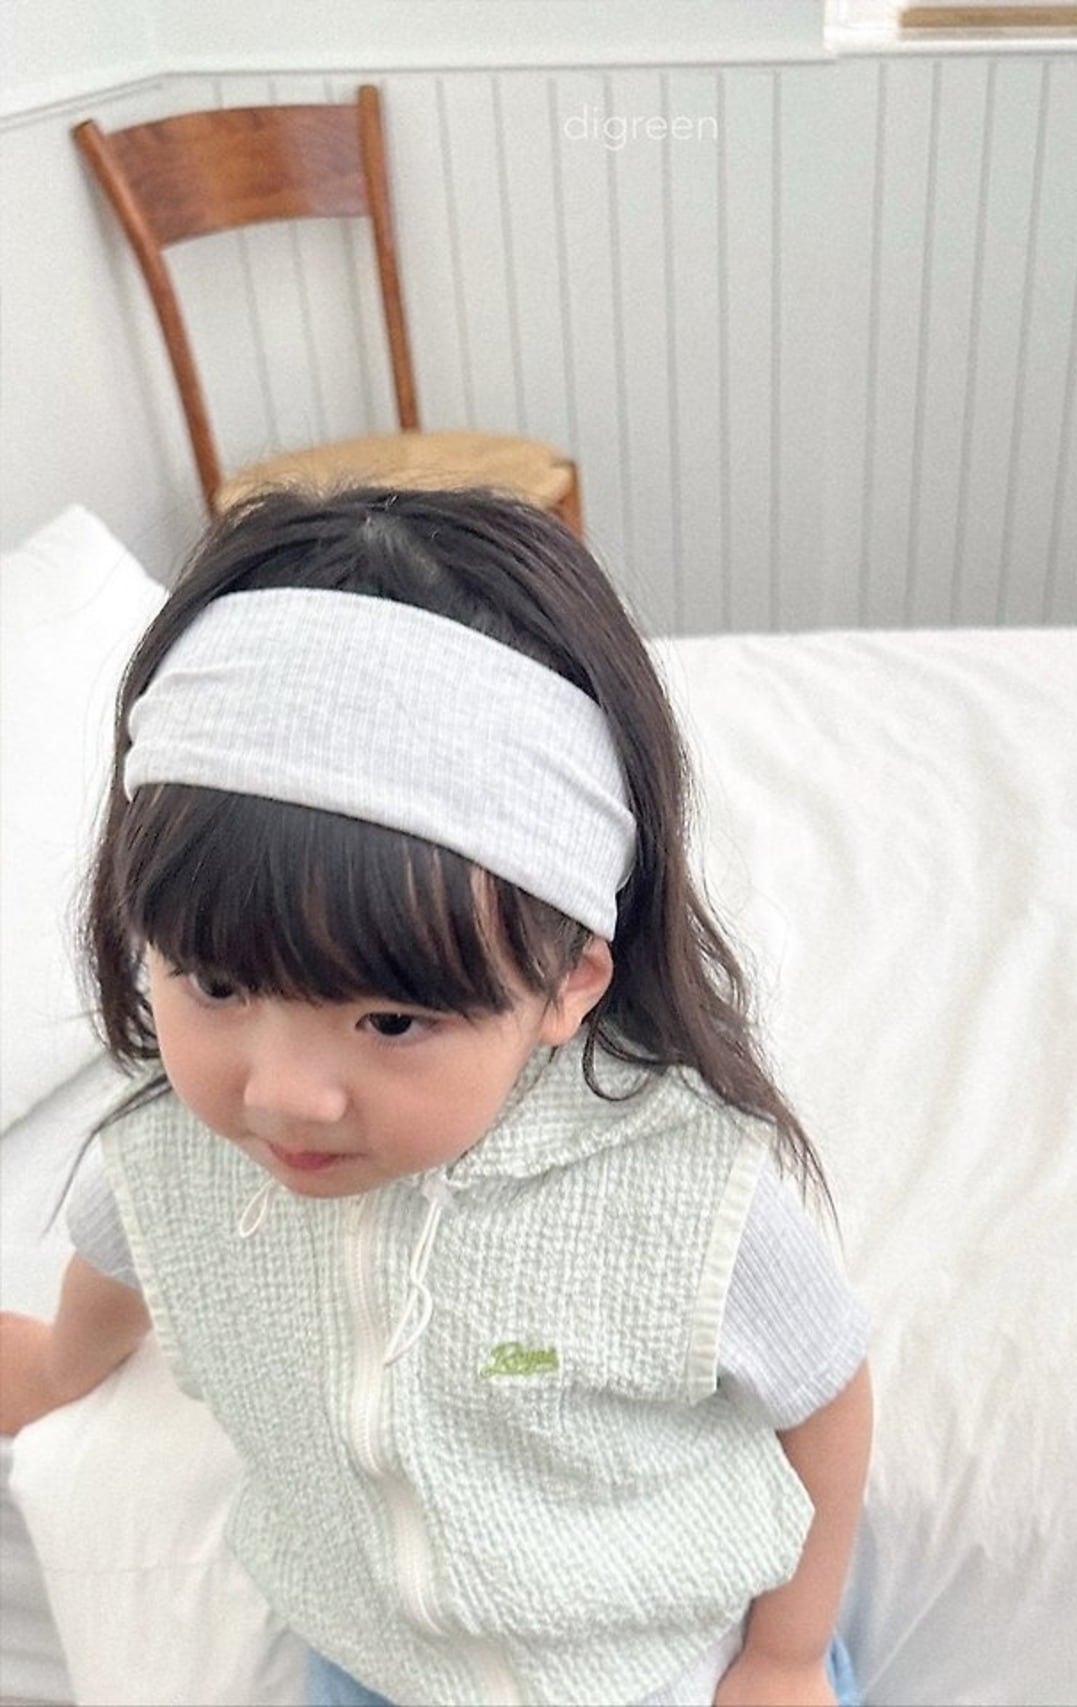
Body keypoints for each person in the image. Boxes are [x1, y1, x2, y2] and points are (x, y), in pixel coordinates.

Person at [0, 487, 873, 1707]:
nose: (283, 1096)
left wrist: (784, 1654)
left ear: (565, 985)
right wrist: (58, 1369)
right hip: (374, 1665)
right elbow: (119, 1252)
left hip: (657, 1667)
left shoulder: (683, 1198)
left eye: (391, 1022)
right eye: (218, 983)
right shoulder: (171, 1162)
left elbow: (824, 1393)